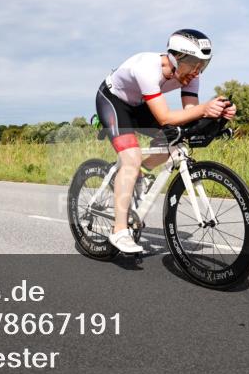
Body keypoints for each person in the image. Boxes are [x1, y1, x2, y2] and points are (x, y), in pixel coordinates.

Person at [95, 29, 236, 254]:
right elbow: (164, 117)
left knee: (177, 137)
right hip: (113, 102)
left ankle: (140, 176)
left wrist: (216, 114)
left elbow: (190, 115)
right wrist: (204, 108)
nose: (197, 72)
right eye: (193, 64)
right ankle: (119, 230)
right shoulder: (146, 69)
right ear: (175, 57)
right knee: (131, 158)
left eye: (203, 65)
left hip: (141, 105)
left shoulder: (191, 77)